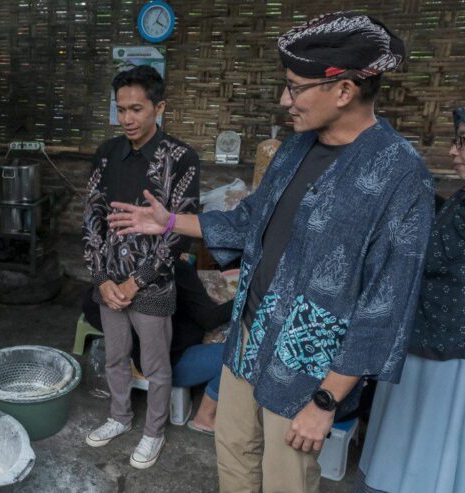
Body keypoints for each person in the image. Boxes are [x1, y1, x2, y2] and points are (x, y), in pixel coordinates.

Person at [108, 12, 434, 492]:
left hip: (308, 367)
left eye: (295, 87)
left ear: (343, 91)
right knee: (234, 458)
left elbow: (385, 306)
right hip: (248, 337)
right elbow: (247, 222)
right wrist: (171, 221)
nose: (285, 100)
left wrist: (325, 403)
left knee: (286, 481)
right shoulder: (294, 149)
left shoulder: (401, 177)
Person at [82, 65, 200, 469]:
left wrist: (136, 282)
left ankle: (153, 432)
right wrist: (102, 279)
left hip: (151, 286)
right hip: (110, 284)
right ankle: (118, 417)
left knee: (153, 365)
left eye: (136, 109)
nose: (127, 119)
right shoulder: (107, 153)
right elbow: (92, 217)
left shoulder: (181, 158)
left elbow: (179, 233)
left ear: (158, 107)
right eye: (121, 109)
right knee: (114, 357)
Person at [355, 107, 465, 493]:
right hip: (424, 338)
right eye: (456, 140)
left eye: (463, 142)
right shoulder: (460, 198)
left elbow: (429, 256)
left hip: (447, 352)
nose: (454, 151)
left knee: (429, 443)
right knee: (409, 439)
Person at [83, 258, 233, 434]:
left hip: (141, 360)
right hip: (174, 363)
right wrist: (245, 299)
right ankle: (204, 417)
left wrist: (129, 332)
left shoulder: (117, 265)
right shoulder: (178, 268)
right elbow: (210, 319)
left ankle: (127, 421)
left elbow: (90, 306)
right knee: (242, 354)